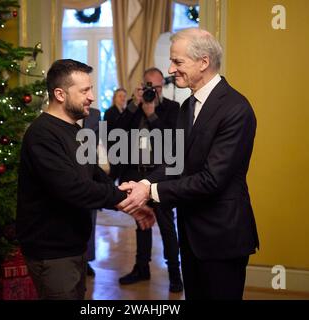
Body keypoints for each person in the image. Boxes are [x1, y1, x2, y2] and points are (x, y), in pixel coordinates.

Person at [118, 28, 259, 300]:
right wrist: (144, 182)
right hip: (192, 236)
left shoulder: (236, 109)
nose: (170, 69)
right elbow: (176, 161)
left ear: (203, 62)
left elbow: (212, 180)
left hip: (222, 239)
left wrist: (150, 193)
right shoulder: (188, 107)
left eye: (178, 62)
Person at [16, 59, 155, 300]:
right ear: (60, 94)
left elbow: (94, 175)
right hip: (52, 251)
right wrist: (125, 196)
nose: (91, 96)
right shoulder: (42, 134)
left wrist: (128, 206)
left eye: (90, 89)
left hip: (74, 245)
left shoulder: (77, 131)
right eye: (84, 91)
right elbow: (73, 188)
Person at [114, 68, 183, 293]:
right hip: (136, 175)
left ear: (162, 87)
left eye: (156, 87)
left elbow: (171, 142)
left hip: (161, 177)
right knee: (141, 223)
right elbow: (117, 132)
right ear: (142, 86)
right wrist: (135, 104)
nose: (152, 91)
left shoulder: (172, 108)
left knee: (166, 226)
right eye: (148, 86)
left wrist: (152, 114)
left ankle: (174, 273)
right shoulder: (134, 109)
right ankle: (141, 268)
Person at [77, 108, 101, 277]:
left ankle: (86, 260)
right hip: (67, 174)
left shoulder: (94, 115)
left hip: (89, 173)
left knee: (90, 220)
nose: (90, 96)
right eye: (85, 91)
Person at [104, 88, 127, 180]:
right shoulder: (109, 112)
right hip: (113, 148)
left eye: (124, 96)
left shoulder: (126, 112)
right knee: (113, 176)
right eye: (120, 96)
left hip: (124, 149)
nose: (122, 98)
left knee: (123, 175)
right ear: (114, 98)